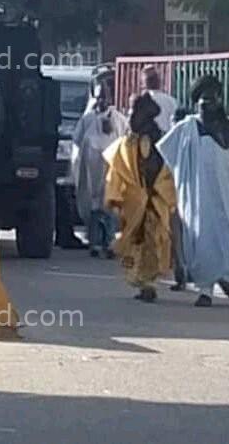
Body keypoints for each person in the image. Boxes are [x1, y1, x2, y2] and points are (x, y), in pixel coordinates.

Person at [157, 75, 229, 307]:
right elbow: (165, 155)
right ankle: (206, 291)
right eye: (202, 99)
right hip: (199, 198)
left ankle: (228, 281)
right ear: (196, 101)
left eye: (211, 99)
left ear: (219, 100)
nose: (206, 104)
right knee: (203, 241)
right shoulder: (186, 129)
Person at [104, 93, 176, 302]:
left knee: (151, 242)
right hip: (139, 202)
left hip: (152, 200)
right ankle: (145, 282)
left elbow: (163, 170)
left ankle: (148, 283)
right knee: (140, 243)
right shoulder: (131, 142)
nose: (130, 116)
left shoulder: (155, 141)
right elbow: (119, 168)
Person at [72, 82, 129, 258]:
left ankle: (110, 243)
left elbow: (125, 141)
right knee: (94, 207)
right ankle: (95, 243)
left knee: (110, 206)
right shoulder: (87, 119)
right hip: (91, 172)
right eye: (98, 97)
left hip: (111, 170)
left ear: (110, 98)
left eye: (104, 96)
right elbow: (77, 141)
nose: (101, 100)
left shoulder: (118, 119)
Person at [169, 107, 191, 292]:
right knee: (178, 239)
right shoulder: (173, 141)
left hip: (183, 197)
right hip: (177, 196)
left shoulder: (176, 141)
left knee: (180, 239)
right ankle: (181, 275)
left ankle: (183, 275)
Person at [140, 65, 177, 133]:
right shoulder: (170, 101)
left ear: (144, 83)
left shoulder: (140, 102)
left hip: (145, 141)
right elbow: (176, 124)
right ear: (159, 81)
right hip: (166, 139)